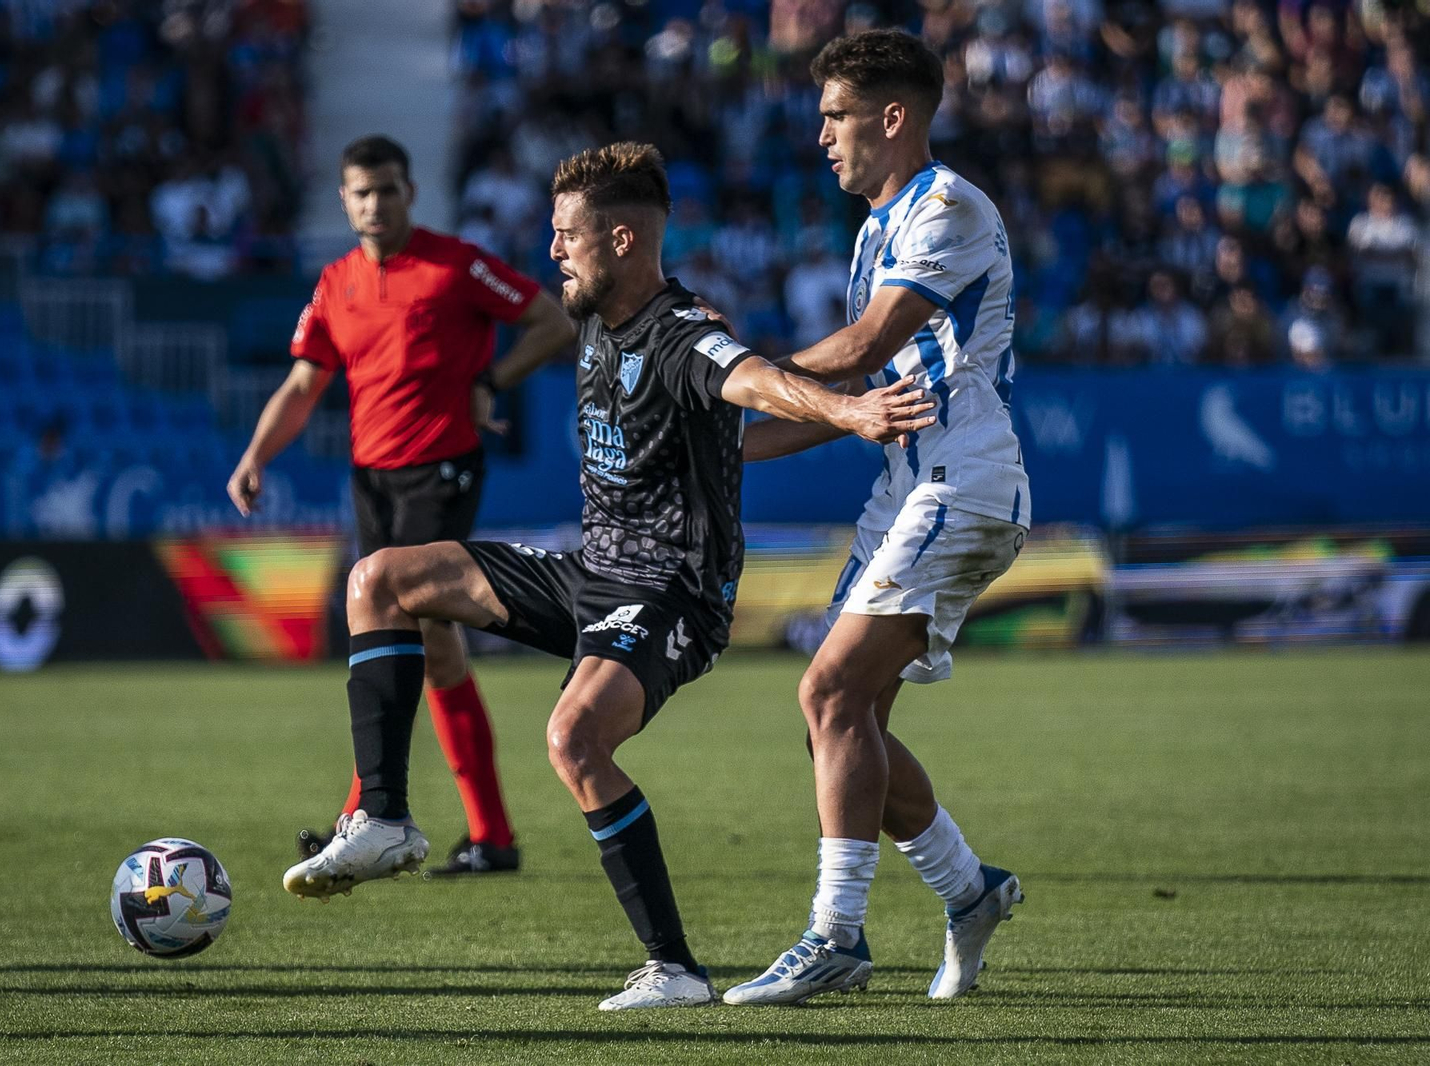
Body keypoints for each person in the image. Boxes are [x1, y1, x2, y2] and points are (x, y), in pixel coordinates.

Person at [279, 142, 936, 1010]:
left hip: (672, 594)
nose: (552, 250)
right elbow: (739, 434)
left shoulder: (680, 332)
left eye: (567, 236)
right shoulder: (592, 318)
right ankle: (386, 819)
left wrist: (850, 409)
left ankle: (674, 969)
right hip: (594, 571)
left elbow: (753, 381)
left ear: (623, 241)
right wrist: (840, 415)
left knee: (573, 740)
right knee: (380, 582)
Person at [724, 28, 1031, 1006]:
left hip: (961, 475)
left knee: (827, 693)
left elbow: (861, 348)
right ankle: (966, 888)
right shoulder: (872, 230)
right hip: (903, 479)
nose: (821, 136)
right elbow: (853, 401)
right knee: (837, 722)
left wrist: (721, 379)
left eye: (835, 116)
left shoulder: (948, 207)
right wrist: (710, 447)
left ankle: (836, 937)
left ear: (891, 118)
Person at [227, 135, 577, 877]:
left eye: (387, 189)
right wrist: (257, 455)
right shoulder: (336, 284)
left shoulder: (456, 265)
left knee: (405, 624)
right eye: (361, 192)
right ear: (345, 200)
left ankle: (370, 817)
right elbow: (302, 386)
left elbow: (553, 323)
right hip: (372, 480)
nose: (375, 203)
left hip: (442, 470)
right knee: (428, 642)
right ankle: (484, 835)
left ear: (409, 192)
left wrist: (491, 380)